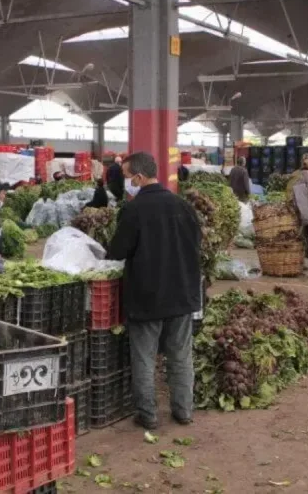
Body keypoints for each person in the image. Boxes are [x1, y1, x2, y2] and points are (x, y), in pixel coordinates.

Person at [108, 152, 201, 429]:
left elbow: (117, 251)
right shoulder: (184, 207)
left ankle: (147, 415)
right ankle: (183, 411)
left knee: (144, 358)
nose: (126, 182)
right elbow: (196, 244)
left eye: (127, 177)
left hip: (147, 296)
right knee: (181, 356)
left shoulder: (134, 210)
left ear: (139, 177)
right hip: (182, 293)